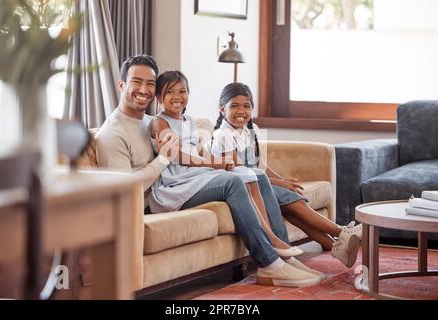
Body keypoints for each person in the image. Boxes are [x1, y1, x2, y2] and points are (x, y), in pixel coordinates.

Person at [95, 54, 325, 287]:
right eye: (137, 81)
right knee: (232, 182)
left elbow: (187, 145)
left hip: (184, 181)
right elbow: (125, 191)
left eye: (150, 83)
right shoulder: (112, 134)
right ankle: (270, 264)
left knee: (256, 174)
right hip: (158, 199)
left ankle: (285, 256)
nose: (144, 89)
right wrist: (164, 159)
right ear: (122, 84)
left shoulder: (149, 120)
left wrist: (211, 155)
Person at [148, 70, 302, 258]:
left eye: (183, 91)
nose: (177, 97)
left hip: (196, 174)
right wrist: (213, 164)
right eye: (170, 92)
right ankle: (270, 239)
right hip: (176, 182)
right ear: (158, 96)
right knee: (236, 180)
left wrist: (221, 162)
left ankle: (275, 238)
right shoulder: (159, 122)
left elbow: (198, 151)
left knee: (252, 175)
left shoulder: (188, 120)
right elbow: (177, 155)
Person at [209, 82, 362, 268]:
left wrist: (281, 180)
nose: (241, 111)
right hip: (245, 187)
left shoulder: (252, 129)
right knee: (295, 204)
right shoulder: (222, 134)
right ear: (222, 109)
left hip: (259, 182)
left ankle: (336, 248)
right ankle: (342, 231)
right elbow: (241, 171)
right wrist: (279, 184)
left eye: (247, 106)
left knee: (293, 210)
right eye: (234, 106)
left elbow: (260, 165)